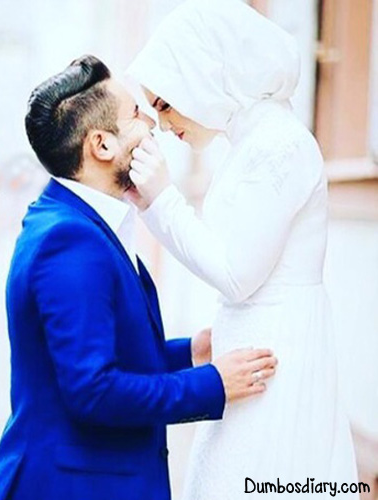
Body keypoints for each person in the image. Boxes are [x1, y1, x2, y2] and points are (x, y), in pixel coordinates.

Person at [0, 55, 277, 500]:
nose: (151, 124)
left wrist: (188, 352)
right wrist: (213, 384)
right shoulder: (69, 241)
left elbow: (96, 356)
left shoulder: (72, 221)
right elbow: (93, 391)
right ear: (101, 145)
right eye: (135, 113)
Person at [127, 0, 359, 498]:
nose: (162, 124)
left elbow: (236, 275)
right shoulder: (251, 142)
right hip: (252, 344)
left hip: (278, 350)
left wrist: (163, 201)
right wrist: (155, 205)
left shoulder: (281, 145)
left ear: (203, 74)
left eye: (165, 104)